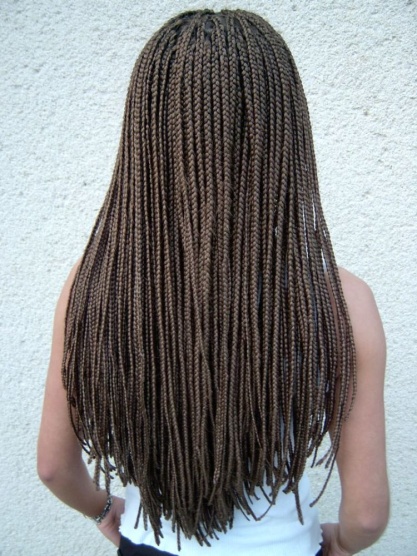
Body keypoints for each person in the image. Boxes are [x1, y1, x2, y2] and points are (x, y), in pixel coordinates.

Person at [37, 9, 389, 556]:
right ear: (285, 134)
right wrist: (343, 543)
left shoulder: (95, 287)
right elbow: (366, 514)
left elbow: (54, 468)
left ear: (148, 135)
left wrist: (104, 509)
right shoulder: (343, 301)